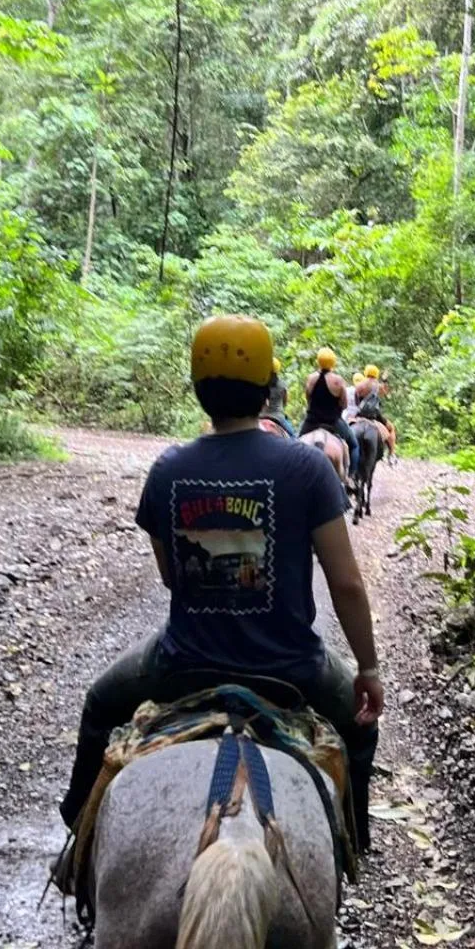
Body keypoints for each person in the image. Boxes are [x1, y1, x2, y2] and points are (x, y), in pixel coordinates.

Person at [59, 316, 383, 850]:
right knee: (362, 728)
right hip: (293, 668)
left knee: (99, 704)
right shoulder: (308, 469)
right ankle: (355, 843)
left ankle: (78, 828)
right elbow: (345, 582)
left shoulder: (169, 468)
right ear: (265, 391)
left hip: (181, 664)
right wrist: (367, 669)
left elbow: (170, 576)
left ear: (198, 389)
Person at [300, 347, 361, 471]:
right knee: (354, 445)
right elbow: (344, 404)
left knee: (294, 443)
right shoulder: (338, 381)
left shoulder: (311, 379)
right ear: (333, 362)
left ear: (318, 361)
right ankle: (352, 477)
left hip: (311, 421)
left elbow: (308, 398)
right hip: (333, 423)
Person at [261, 356, 296, 439]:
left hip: (261, 415)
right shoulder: (282, 385)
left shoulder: (261, 383)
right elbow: (285, 402)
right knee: (293, 436)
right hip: (278, 417)